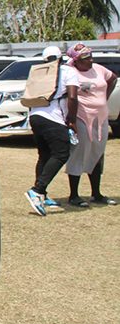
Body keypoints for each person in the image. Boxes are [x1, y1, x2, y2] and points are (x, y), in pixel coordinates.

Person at [24, 46, 79, 216]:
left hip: (35, 116)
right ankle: (37, 190)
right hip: (53, 117)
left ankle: (43, 195)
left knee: (45, 155)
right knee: (62, 153)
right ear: (60, 57)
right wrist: (71, 119)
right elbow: (72, 96)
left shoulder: (39, 72)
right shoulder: (68, 71)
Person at [65, 43, 118, 207]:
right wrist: (71, 119)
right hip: (82, 118)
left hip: (100, 118)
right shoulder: (69, 72)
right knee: (79, 153)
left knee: (97, 153)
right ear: (76, 60)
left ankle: (96, 193)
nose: (90, 60)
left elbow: (113, 79)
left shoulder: (99, 69)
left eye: (90, 56)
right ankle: (74, 195)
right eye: (85, 58)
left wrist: (103, 98)